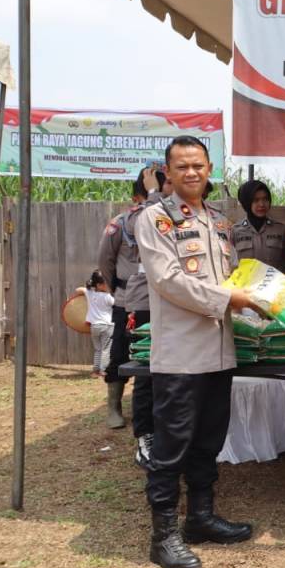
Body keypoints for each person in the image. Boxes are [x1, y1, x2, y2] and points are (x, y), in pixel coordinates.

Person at [135, 136, 257, 568]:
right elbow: (168, 281)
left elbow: (232, 278)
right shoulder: (155, 219)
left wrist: (263, 295)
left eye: (198, 165)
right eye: (181, 166)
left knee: (209, 442)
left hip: (220, 353)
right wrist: (230, 300)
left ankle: (201, 518)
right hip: (181, 356)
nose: (191, 173)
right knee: (170, 449)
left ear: (210, 170)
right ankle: (163, 536)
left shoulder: (220, 223)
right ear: (167, 172)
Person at [98, 173, 156, 428]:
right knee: (121, 351)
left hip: (155, 300)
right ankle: (114, 406)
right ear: (136, 198)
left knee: (151, 353)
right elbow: (105, 261)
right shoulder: (119, 225)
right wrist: (117, 290)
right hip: (125, 300)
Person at [122, 168, 171, 469]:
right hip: (146, 300)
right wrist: (153, 193)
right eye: (164, 180)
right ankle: (145, 436)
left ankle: (166, 430)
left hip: (175, 300)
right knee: (146, 370)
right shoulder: (139, 213)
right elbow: (153, 227)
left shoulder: (181, 210)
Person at [232, 180, 285, 278]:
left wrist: (284, 287)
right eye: (256, 200)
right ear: (247, 202)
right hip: (245, 291)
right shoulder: (235, 231)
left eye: (265, 199)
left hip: (276, 290)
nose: (262, 204)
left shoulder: (282, 230)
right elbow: (231, 266)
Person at [76, 270, 114, 378]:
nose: (108, 284)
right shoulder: (108, 297)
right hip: (107, 326)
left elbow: (78, 290)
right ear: (99, 285)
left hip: (94, 326)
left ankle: (95, 370)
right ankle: (103, 370)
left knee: (98, 349)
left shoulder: (89, 293)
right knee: (106, 349)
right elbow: (117, 303)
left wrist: (86, 289)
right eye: (106, 283)